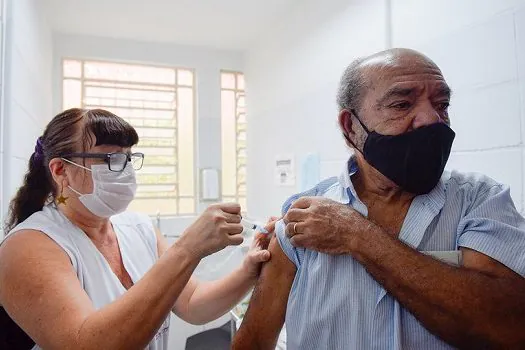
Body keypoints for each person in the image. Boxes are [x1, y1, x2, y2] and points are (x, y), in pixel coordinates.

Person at [232, 48, 525, 349]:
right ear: (351, 127)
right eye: (402, 104)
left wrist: (357, 234)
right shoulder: (302, 221)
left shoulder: (480, 201)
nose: (431, 119)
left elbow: (510, 328)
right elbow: (252, 342)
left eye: (442, 104)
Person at [0, 108, 271, 350]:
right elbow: (85, 345)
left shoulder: (138, 227)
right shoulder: (28, 246)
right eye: (110, 158)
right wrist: (188, 249)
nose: (126, 169)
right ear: (61, 170)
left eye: (128, 157)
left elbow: (192, 303)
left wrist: (249, 270)